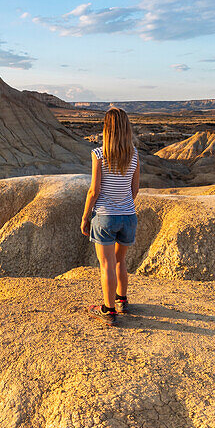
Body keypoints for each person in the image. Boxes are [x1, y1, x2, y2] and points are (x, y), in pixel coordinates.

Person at [80, 106, 140, 327]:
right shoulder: (134, 154)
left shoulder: (99, 154)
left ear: (107, 129)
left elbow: (94, 191)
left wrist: (86, 216)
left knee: (106, 264)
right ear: (126, 128)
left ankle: (108, 310)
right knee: (120, 260)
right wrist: (124, 205)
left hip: (105, 216)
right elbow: (135, 189)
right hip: (128, 216)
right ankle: (122, 300)